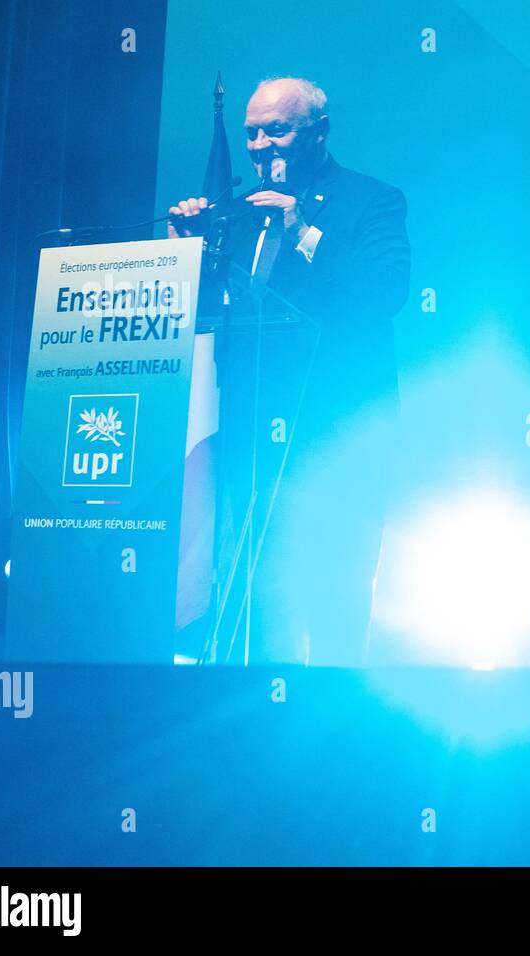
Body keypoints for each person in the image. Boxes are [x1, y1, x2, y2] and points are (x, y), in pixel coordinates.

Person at [168, 76, 410, 666]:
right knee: (257, 586)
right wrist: (182, 254)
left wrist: (304, 231)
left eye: (276, 129)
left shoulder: (372, 199)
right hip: (250, 425)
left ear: (318, 132)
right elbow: (210, 316)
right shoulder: (237, 214)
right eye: (251, 133)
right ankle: (252, 706)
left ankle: (334, 719)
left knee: (336, 585)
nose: (259, 145)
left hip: (337, 428)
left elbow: (387, 293)